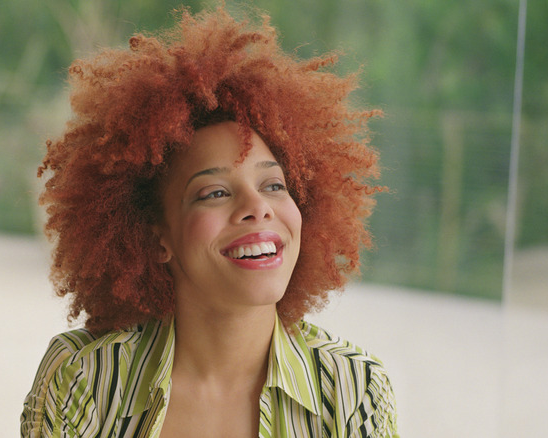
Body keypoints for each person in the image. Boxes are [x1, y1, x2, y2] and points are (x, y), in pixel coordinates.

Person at [21, 6, 398, 438]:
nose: (258, 207)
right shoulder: (87, 381)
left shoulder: (352, 391)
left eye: (274, 185)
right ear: (156, 233)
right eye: (215, 192)